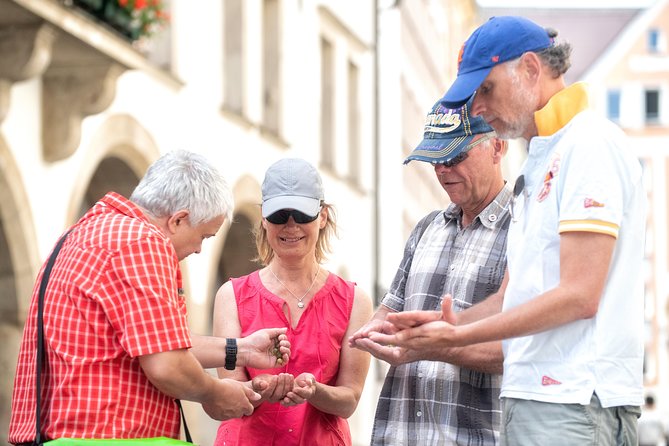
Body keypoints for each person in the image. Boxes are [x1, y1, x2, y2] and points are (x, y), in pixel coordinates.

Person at [369, 16, 647, 446]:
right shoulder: (540, 161)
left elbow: (580, 295)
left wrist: (454, 336)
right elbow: (512, 297)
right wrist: (443, 322)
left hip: (574, 402)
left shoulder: (589, 144)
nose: (477, 108)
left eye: (486, 89)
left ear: (531, 69)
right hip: (537, 399)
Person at [9, 150, 291, 444]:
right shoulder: (143, 243)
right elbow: (167, 364)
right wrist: (215, 393)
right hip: (105, 438)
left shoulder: (86, 233)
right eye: (204, 236)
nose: (198, 250)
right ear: (178, 220)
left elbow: (157, 340)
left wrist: (240, 350)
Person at [349, 96, 511, 445]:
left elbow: (521, 348)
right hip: (402, 435)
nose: (442, 170)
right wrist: (368, 334)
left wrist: (430, 346)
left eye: (455, 157)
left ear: (497, 148)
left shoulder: (524, 228)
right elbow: (388, 314)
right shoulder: (426, 229)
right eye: (435, 159)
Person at [213, 157, 373, 446]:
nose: (290, 226)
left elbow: (349, 399)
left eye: (301, 215)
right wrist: (261, 389)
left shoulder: (354, 301)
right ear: (263, 217)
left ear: (322, 216)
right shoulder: (232, 296)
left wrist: (315, 391)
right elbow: (228, 393)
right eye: (279, 215)